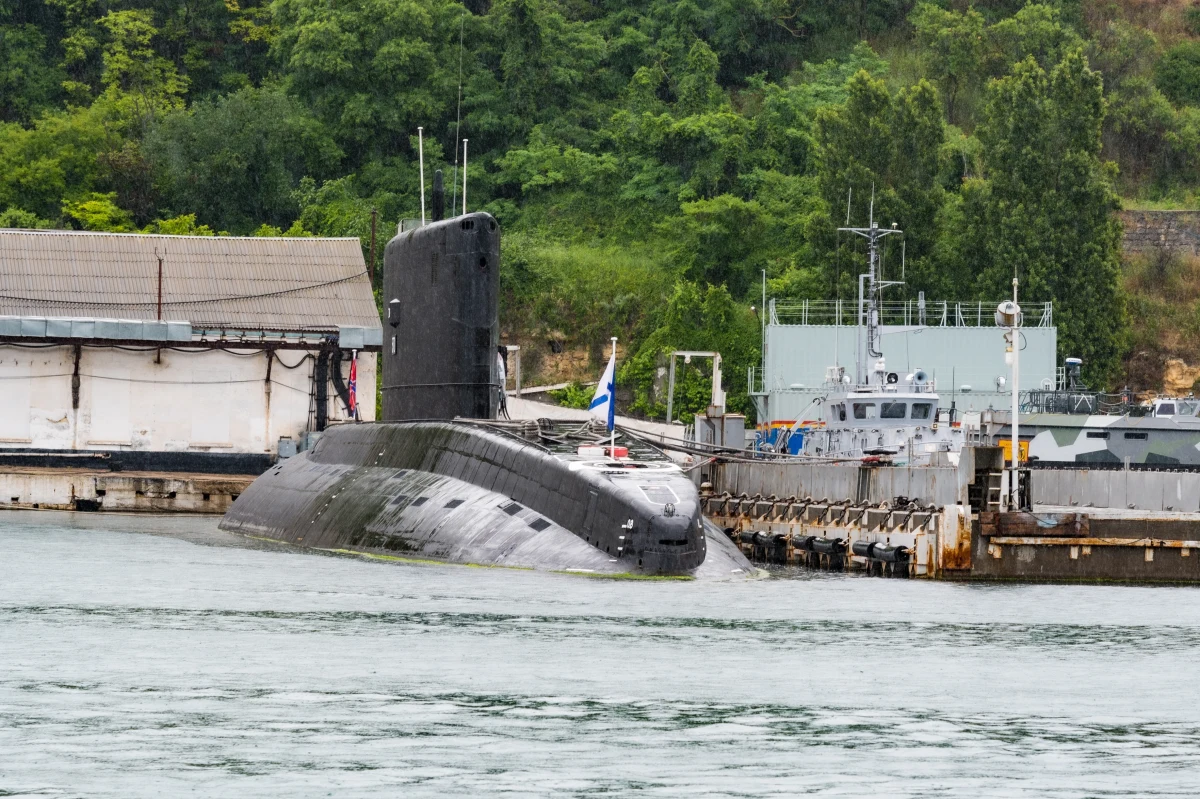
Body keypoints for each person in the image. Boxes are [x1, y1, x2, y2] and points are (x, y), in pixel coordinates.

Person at [496, 345, 510, 419]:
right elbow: (501, 377)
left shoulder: (498, 357)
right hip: (498, 388)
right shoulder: (499, 357)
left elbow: (501, 376)